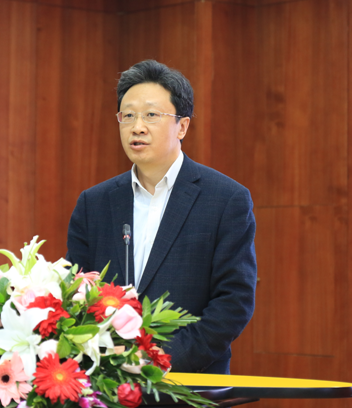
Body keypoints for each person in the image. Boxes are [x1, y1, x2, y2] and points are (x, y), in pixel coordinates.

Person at [66, 60, 257, 374]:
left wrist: (159, 359)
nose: (137, 127)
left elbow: (233, 301)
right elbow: (76, 291)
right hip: (107, 380)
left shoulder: (225, 199)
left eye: (151, 115)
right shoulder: (95, 203)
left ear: (182, 126)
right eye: (128, 116)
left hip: (189, 381)